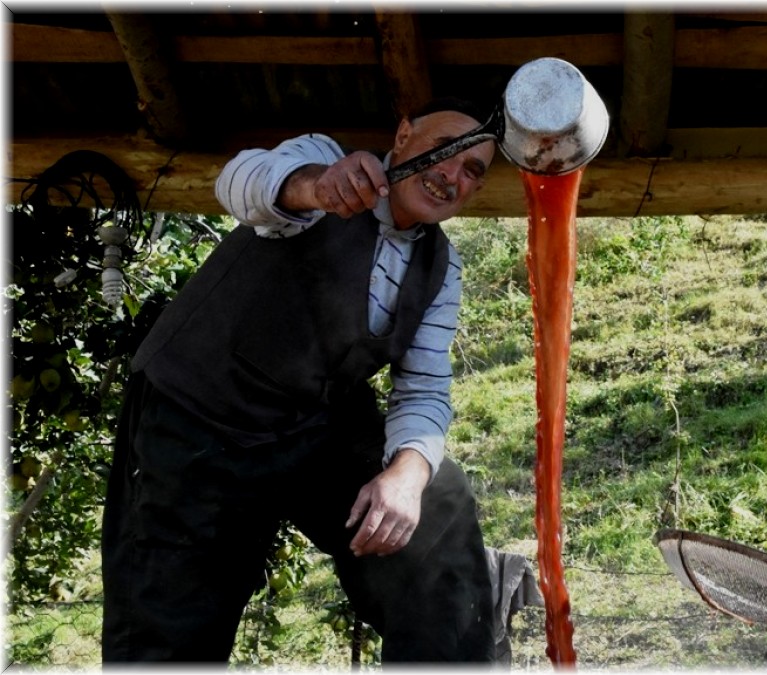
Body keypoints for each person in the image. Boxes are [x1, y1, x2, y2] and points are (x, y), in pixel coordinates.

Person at [101, 98, 499, 663]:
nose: (451, 176)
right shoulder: (321, 161)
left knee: (438, 505)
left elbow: (425, 389)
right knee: (170, 627)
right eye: (444, 151)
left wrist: (407, 476)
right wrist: (314, 187)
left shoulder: (442, 269)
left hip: (313, 428)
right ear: (405, 134)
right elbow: (239, 183)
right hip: (196, 423)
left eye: (472, 171)